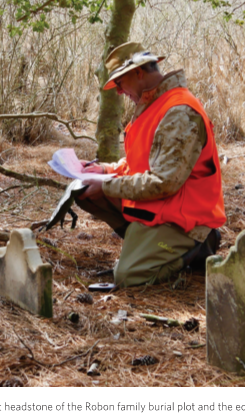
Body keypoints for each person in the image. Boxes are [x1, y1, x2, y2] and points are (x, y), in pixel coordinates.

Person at [77, 42, 224, 286]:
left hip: (186, 220)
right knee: (85, 193)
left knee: (129, 276)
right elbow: (140, 162)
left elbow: (164, 182)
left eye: (120, 83)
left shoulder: (178, 111)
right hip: (161, 208)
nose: (119, 92)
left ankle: (196, 247)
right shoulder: (153, 105)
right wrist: (104, 170)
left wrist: (106, 186)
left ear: (138, 72)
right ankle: (146, 244)